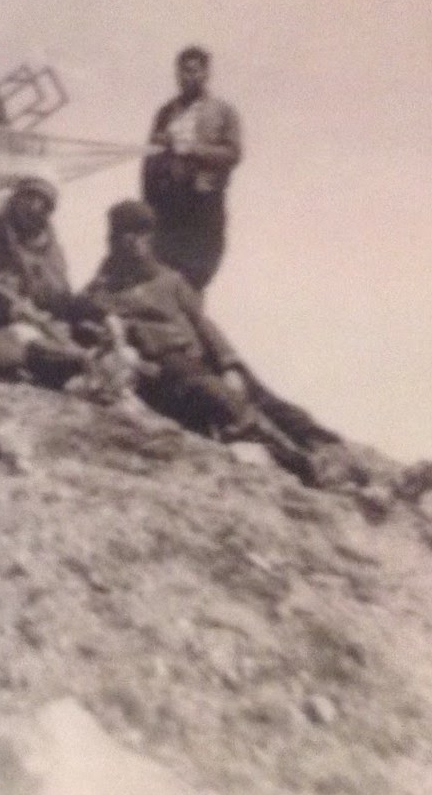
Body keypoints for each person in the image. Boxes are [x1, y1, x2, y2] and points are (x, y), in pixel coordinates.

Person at [72, 200, 335, 483]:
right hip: (165, 366)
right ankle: (301, 464)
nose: (135, 242)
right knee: (222, 398)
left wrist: (230, 363)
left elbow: (204, 325)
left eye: (143, 233)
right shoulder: (101, 292)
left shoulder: (170, 280)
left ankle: (326, 446)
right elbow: (82, 322)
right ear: (114, 239)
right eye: (127, 233)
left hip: (204, 356)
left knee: (258, 393)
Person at [0, 177, 88, 387]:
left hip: (47, 331)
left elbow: (63, 299)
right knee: (24, 339)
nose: (35, 206)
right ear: (15, 198)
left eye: (44, 202)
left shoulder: (52, 250)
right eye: (29, 196)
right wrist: (10, 312)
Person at [141, 45, 241, 293]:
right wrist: (148, 202)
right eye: (183, 71)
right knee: (161, 270)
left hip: (202, 203)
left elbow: (233, 153)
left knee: (195, 275)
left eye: (194, 71)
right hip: (167, 205)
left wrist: (194, 150)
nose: (188, 77)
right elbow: (149, 159)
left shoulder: (223, 111)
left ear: (206, 74)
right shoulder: (165, 113)